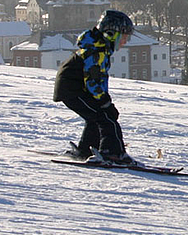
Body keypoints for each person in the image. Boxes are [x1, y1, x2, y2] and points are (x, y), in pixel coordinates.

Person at [53, 9, 137, 165]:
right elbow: (93, 81)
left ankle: (86, 150)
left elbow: (97, 81)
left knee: (97, 117)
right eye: (124, 37)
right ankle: (112, 153)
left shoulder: (100, 49)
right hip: (72, 90)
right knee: (106, 118)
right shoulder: (96, 52)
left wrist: (105, 102)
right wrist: (105, 101)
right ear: (111, 34)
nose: (126, 42)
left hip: (75, 88)